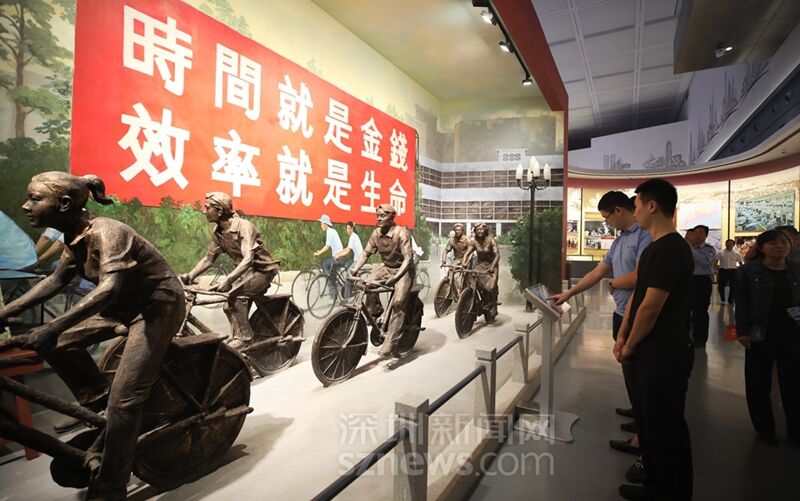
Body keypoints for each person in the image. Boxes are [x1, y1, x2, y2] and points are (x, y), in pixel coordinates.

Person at [0, 172, 184, 500]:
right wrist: (7, 311)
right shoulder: (75, 235)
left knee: (125, 401)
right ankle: (101, 407)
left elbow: (109, 289)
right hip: (122, 307)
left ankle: (111, 486)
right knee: (58, 345)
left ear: (64, 203)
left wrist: (51, 326)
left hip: (156, 308)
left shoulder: (108, 232)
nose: (26, 206)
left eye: (35, 199)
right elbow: (56, 280)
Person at [552, 191, 652, 468]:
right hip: (621, 313)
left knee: (641, 374)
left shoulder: (645, 237)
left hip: (636, 314)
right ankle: (639, 417)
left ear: (619, 210)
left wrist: (616, 283)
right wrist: (569, 292)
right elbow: (598, 271)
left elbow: (643, 276)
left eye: (607, 217)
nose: (607, 223)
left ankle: (644, 437)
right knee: (630, 371)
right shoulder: (619, 241)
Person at [614, 178, 693, 501]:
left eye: (636, 205)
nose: (634, 212)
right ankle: (654, 483)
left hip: (664, 352)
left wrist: (630, 344)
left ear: (652, 205)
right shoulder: (653, 249)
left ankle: (668, 491)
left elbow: (651, 307)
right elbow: (637, 296)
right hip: (648, 351)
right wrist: (622, 334)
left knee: (665, 427)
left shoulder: (670, 249)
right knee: (650, 423)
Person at [181, 192, 280, 350]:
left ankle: (244, 339)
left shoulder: (244, 227)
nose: (204, 211)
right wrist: (189, 276)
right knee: (228, 306)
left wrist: (228, 280)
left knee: (235, 298)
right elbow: (208, 259)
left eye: (207, 208)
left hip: (262, 270)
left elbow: (248, 259)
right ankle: (238, 340)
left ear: (219, 211)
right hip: (245, 271)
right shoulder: (218, 232)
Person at [734, 229, 800, 446]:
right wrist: (742, 330)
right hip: (759, 331)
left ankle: (795, 429)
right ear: (761, 248)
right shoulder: (749, 271)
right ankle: (765, 428)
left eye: (783, 242)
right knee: (758, 382)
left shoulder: (796, 269)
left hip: (792, 332)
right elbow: (742, 301)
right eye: (773, 243)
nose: (780, 246)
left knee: (793, 382)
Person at [350, 204, 415, 357]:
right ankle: (375, 310)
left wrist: (396, 277)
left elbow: (408, 259)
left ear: (392, 217)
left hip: (404, 271)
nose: (379, 218)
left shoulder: (402, 233)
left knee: (398, 303)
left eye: (382, 216)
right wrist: (354, 269)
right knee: (366, 283)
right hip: (387, 268)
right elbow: (366, 253)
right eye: (377, 215)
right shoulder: (376, 233)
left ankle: (392, 341)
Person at [462, 222, 499, 321]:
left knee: (491, 287)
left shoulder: (491, 240)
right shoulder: (474, 242)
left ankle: (494, 305)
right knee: (472, 281)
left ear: (485, 230)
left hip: (491, 265)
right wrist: (464, 263)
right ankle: (477, 300)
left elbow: (497, 255)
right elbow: (467, 253)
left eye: (481, 229)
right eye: (477, 230)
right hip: (480, 265)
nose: (479, 231)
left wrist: (492, 266)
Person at [688, 224, 716, 348]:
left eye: (701, 232)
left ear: (706, 235)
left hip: (701, 281)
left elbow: (704, 261)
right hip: (687, 280)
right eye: (695, 232)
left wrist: (690, 248)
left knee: (700, 311)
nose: (697, 234)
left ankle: (700, 339)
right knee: (685, 309)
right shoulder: (686, 248)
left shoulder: (709, 249)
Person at [334, 221, 363, 298]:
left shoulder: (353, 236)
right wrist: (338, 253)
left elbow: (348, 251)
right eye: (347, 228)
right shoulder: (353, 236)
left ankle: (347, 299)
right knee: (346, 265)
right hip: (356, 259)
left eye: (349, 228)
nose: (348, 230)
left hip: (358, 260)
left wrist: (338, 255)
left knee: (348, 276)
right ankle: (351, 284)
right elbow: (347, 248)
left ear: (352, 229)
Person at [716, 239, 743, 304]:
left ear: (733, 245)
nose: (729, 244)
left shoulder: (737, 253)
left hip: (733, 271)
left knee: (733, 286)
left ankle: (730, 299)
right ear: (725, 244)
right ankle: (722, 296)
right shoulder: (720, 252)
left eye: (731, 243)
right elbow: (715, 262)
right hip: (723, 270)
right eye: (728, 243)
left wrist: (741, 272)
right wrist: (716, 270)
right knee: (721, 285)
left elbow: (740, 263)